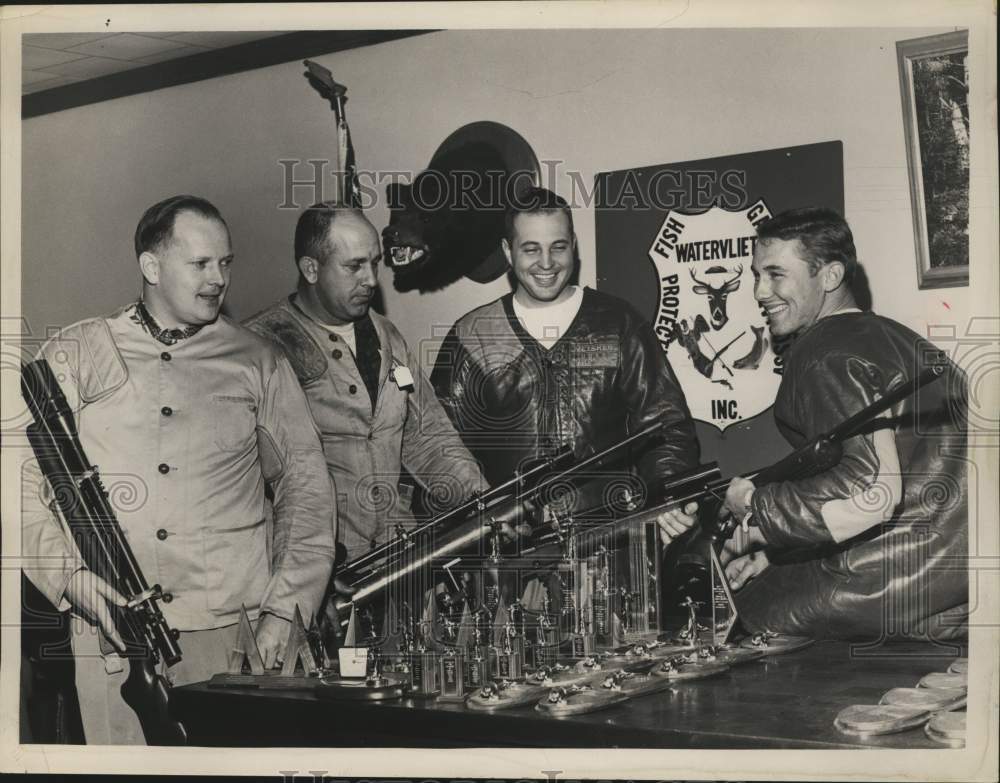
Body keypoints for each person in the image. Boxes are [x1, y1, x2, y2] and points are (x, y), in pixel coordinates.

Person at [20, 195, 337, 744]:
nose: (219, 279)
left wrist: (285, 611)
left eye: (225, 263)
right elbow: (20, 486)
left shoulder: (259, 360)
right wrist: (70, 580)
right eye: (200, 264)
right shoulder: (75, 352)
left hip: (233, 637)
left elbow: (307, 491)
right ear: (151, 266)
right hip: (112, 636)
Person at [663, 207, 968, 641]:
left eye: (775, 275)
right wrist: (779, 553)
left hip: (882, 590)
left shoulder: (825, 352)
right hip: (948, 586)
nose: (759, 291)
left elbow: (871, 492)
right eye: (755, 275)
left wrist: (753, 510)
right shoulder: (899, 339)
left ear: (829, 277)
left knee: (723, 632)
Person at [430, 187, 701, 614]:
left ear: (574, 246)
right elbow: (437, 452)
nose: (546, 263)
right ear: (507, 250)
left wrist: (664, 501)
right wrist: (459, 548)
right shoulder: (473, 334)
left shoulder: (617, 323)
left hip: (611, 563)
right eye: (530, 248)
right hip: (504, 576)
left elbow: (667, 427)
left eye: (558, 247)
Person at [244, 204, 488, 635]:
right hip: (318, 591)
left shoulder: (387, 337)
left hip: (398, 571)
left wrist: (482, 500)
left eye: (374, 263)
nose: (372, 281)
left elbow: (426, 434)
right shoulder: (262, 347)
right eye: (354, 266)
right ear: (311, 268)